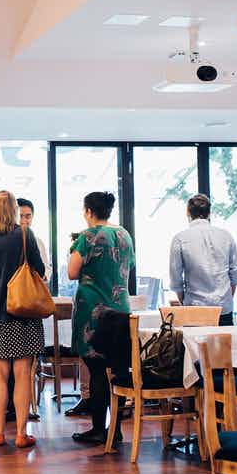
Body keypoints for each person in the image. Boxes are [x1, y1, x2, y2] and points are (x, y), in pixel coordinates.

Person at [0, 190, 45, 449]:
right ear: (14, 209)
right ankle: (21, 434)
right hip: (22, 309)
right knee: (23, 371)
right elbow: (38, 268)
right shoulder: (25, 234)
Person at [69, 191, 134, 445]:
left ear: (88, 211)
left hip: (94, 311)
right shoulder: (124, 235)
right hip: (120, 308)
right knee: (117, 369)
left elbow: (73, 272)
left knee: (96, 370)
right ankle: (115, 429)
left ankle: (98, 429)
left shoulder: (87, 237)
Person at [168, 194, 237, 326]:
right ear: (209, 213)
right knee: (223, 347)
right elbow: (235, 275)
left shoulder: (180, 238)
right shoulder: (226, 236)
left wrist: (184, 301)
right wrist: (225, 298)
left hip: (194, 309)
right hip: (223, 308)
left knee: (195, 347)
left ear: (187, 212)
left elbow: (175, 279)